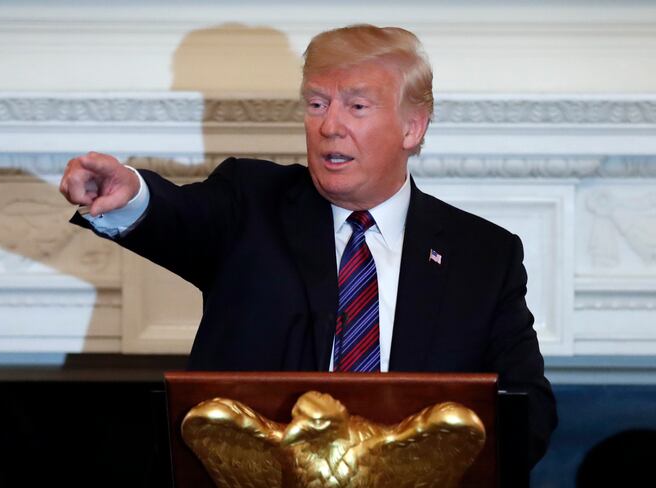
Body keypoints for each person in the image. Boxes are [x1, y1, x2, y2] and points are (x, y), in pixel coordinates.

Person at [60, 24, 557, 467]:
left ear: (413, 126)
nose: (329, 125)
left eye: (356, 106)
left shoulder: (483, 255)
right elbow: (179, 218)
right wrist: (128, 195)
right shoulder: (251, 204)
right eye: (317, 104)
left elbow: (527, 411)